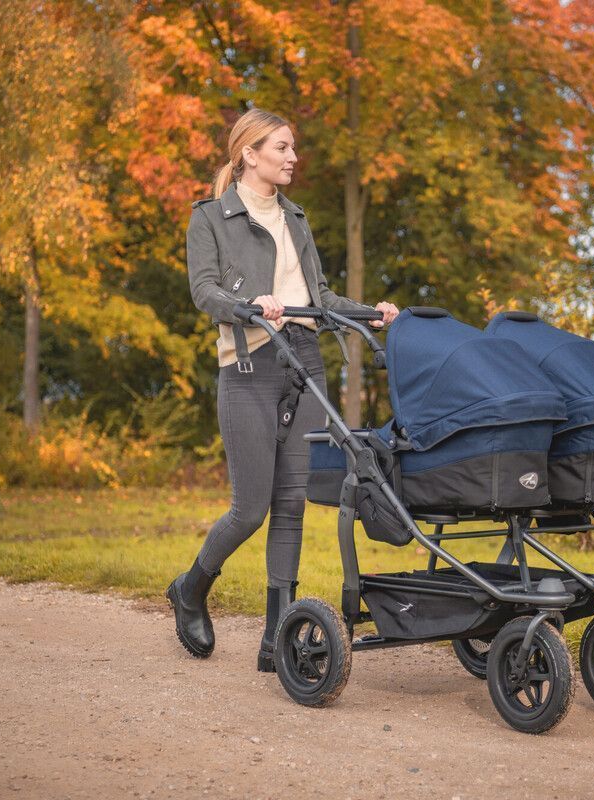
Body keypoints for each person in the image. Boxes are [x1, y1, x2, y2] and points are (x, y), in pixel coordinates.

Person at [169, 108, 398, 671]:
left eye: (293, 147)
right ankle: (191, 589)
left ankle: (277, 636)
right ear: (249, 154)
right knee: (251, 509)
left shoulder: (296, 218)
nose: (293, 157)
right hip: (250, 365)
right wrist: (248, 305)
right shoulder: (210, 218)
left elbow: (320, 296)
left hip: (304, 362)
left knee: (292, 503)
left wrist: (370, 313)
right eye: (282, 147)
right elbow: (204, 290)